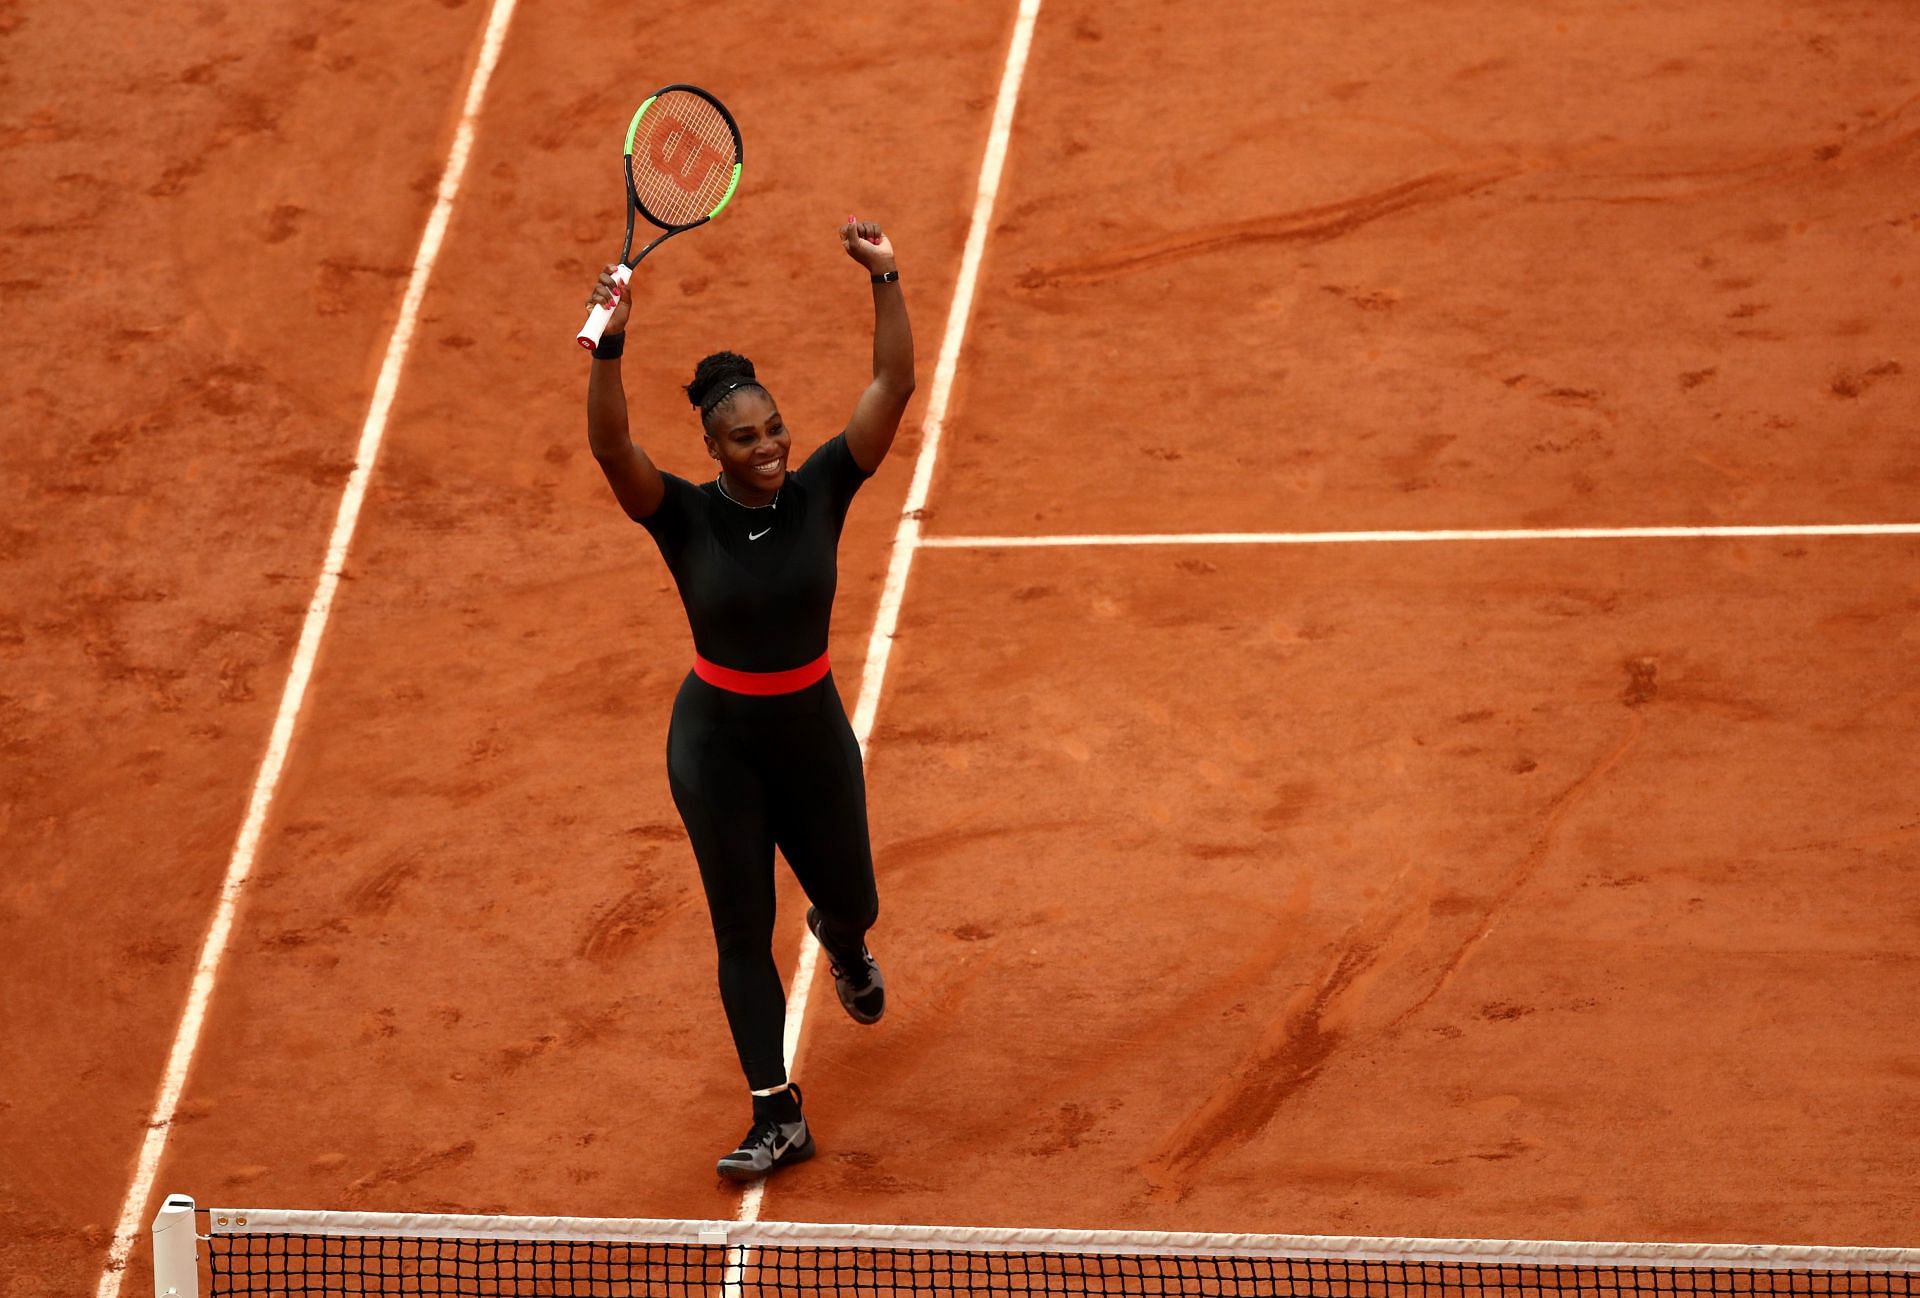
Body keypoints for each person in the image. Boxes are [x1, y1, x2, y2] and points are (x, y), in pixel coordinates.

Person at [582, 219, 914, 1180]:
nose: (767, 448)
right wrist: (610, 339)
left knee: (851, 898)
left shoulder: (822, 491)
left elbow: (892, 385)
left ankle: (843, 941)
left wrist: (884, 275)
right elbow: (611, 448)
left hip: (809, 733)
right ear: (712, 446)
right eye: (744, 437)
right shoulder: (681, 516)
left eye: (773, 430)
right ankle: (777, 1111)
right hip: (716, 745)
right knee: (741, 926)